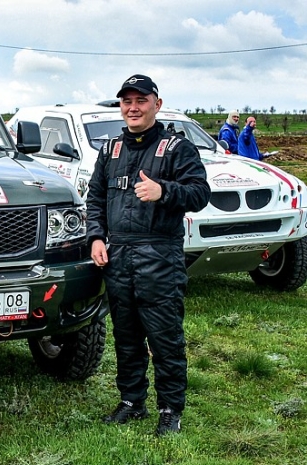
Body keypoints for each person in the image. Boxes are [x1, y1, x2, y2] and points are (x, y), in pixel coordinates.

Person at [86, 74, 211, 436]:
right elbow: (95, 199)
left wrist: (164, 191)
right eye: (127, 101)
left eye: (141, 100)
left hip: (159, 254)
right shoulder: (110, 150)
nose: (133, 107)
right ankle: (131, 401)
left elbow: (199, 194)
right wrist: (96, 237)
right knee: (125, 335)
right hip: (118, 254)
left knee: (164, 336)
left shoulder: (176, 148)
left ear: (157, 103)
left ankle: (171, 409)